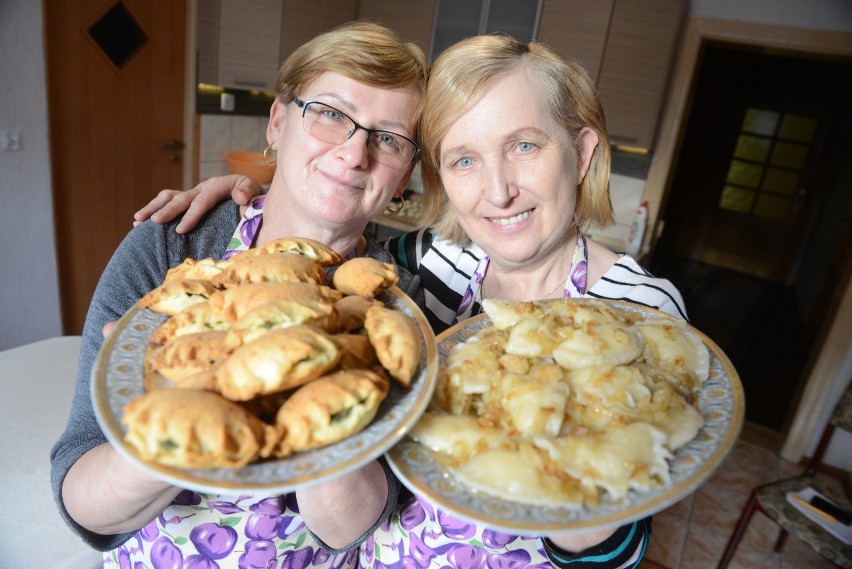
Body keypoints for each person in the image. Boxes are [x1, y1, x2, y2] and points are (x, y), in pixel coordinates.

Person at [136, 34, 689, 568]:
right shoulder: (428, 259)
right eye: (464, 159)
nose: (498, 191)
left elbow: (619, 543)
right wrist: (240, 196)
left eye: (524, 146)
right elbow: (323, 245)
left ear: (582, 151)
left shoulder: (639, 313)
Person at [50, 21, 428, 568]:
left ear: (405, 176)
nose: (354, 153)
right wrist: (189, 418)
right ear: (277, 122)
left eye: (388, 138)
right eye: (330, 113)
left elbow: (355, 526)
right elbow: (83, 500)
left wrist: (316, 384)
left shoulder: (400, 298)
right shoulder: (172, 247)